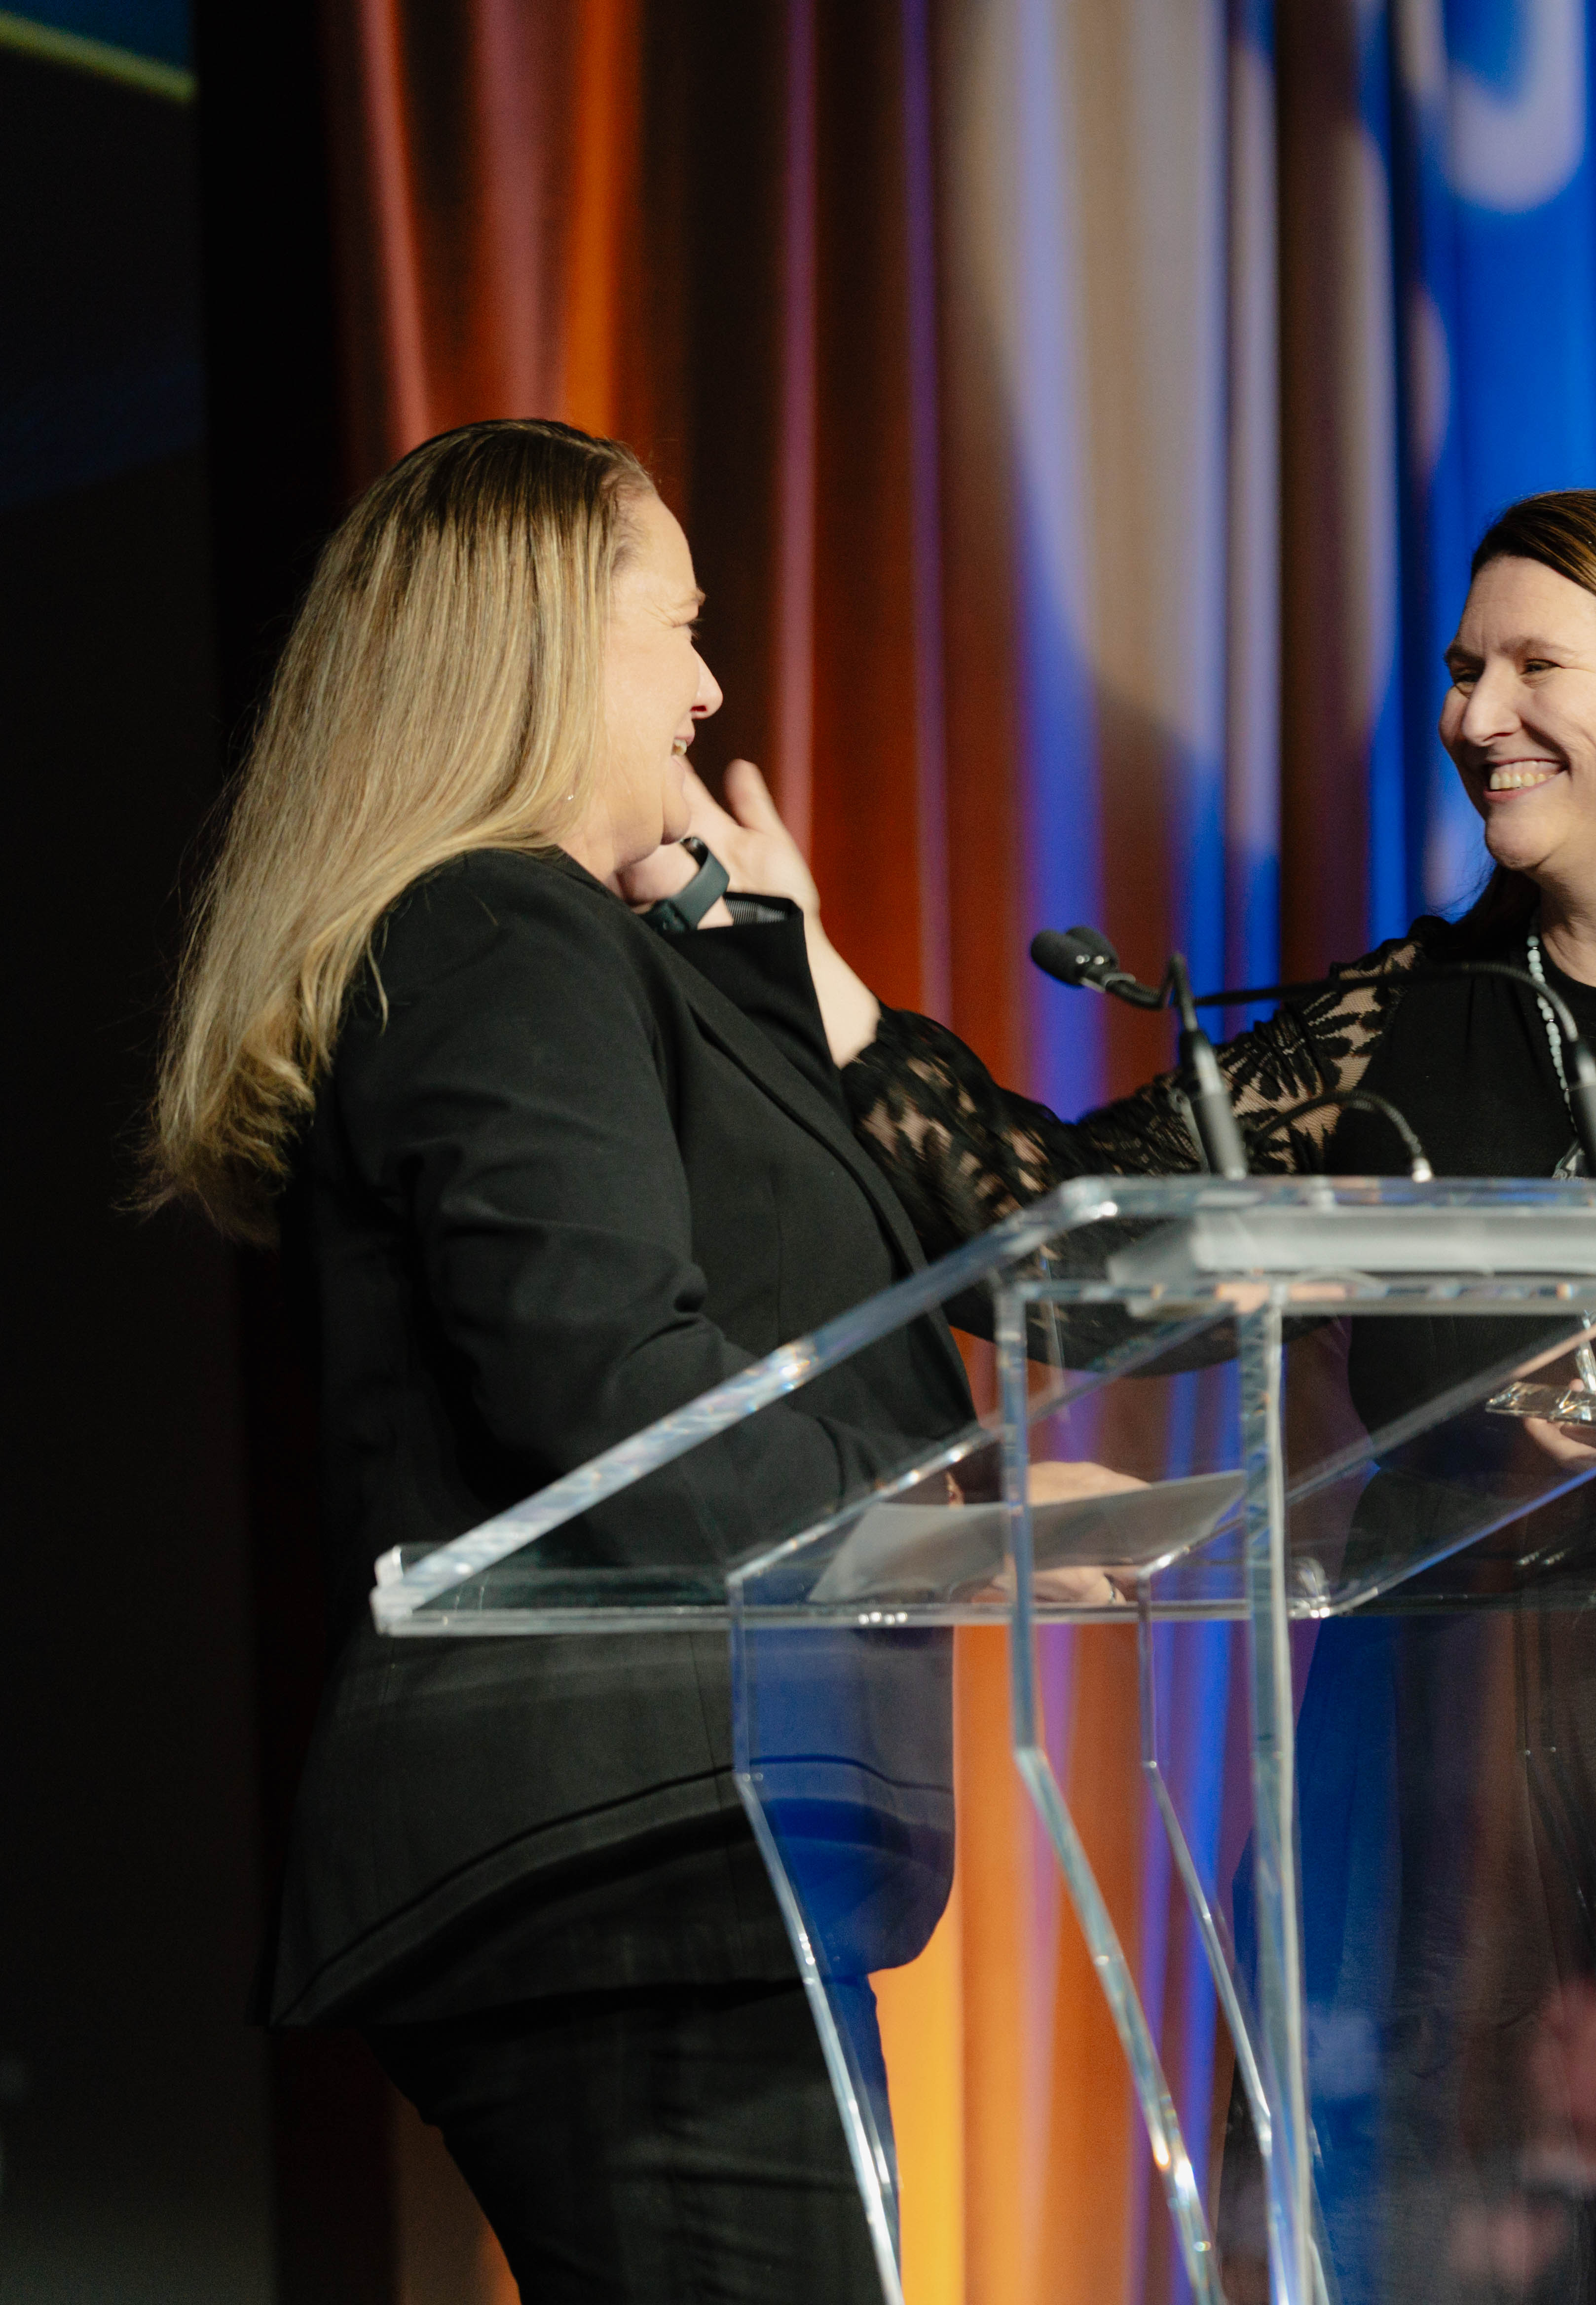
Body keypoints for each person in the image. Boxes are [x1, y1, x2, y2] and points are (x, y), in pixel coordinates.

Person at [697, 486, 1596, 2301]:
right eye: (1458, 670)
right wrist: (827, 998)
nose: (1472, 714)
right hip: (1451, 1806)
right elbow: (1070, 1243)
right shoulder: (1403, 1022)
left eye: (1532, 667)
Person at [145, 418, 1022, 2302]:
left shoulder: (578, 945)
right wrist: (956, 1530)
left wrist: (759, 953)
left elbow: (803, 1271)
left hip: (694, 1857)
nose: (710, 693)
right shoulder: (493, 930)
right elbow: (613, 1392)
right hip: (622, 1860)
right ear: (540, 643)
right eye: (679, 629)